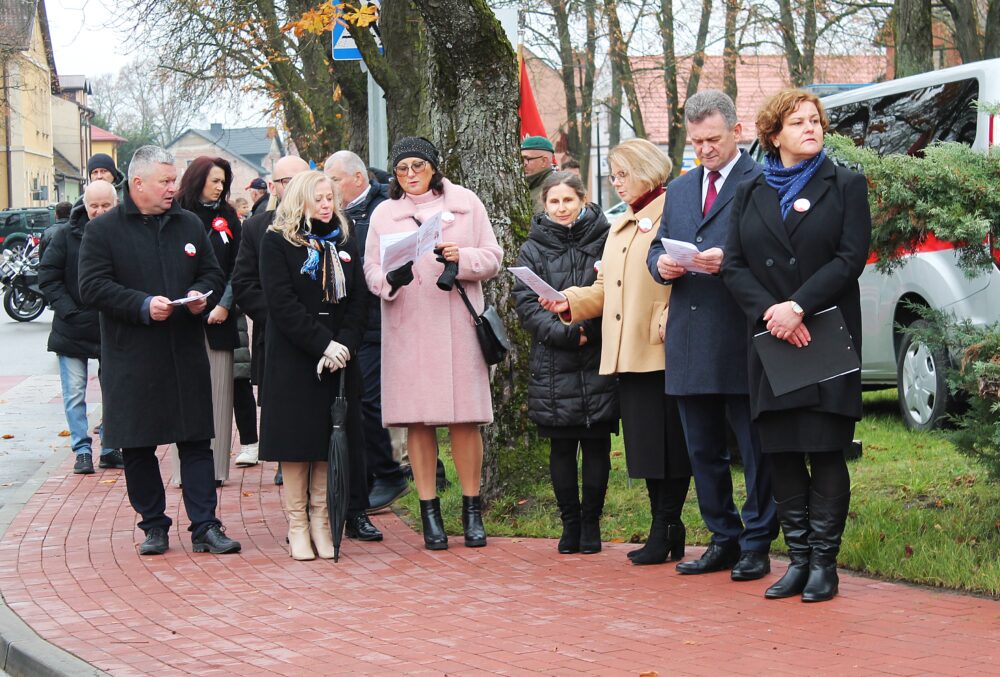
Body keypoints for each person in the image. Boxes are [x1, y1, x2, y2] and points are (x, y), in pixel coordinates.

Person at [721, 89, 871, 602]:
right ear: (773, 135)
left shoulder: (845, 184)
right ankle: (798, 561)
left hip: (824, 332)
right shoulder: (750, 189)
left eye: (815, 121)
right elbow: (734, 264)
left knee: (825, 449)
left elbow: (850, 258)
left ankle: (824, 565)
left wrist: (799, 306)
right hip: (772, 337)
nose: (811, 128)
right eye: (798, 122)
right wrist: (772, 312)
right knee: (782, 452)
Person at [78, 145, 240, 556]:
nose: (173, 188)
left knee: (196, 440)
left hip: (184, 352)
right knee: (137, 445)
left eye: (173, 180)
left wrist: (200, 294)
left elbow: (212, 273)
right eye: (165, 181)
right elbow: (92, 286)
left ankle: (205, 526)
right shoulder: (103, 231)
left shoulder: (188, 224)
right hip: (131, 357)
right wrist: (142, 305)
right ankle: (153, 525)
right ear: (138, 183)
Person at [540, 138, 692, 565]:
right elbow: (606, 287)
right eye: (614, 175)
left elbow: (688, 272)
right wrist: (568, 301)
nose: (617, 183)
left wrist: (671, 312)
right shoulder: (623, 222)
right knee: (647, 449)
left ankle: (667, 526)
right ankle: (664, 527)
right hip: (628, 352)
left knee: (671, 447)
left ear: (646, 171)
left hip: (662, 346)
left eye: (623, 174)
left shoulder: (673, 212)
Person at [646, 90, 778, 580]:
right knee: (702, 449)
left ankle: (757, 541)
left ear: (737, 132)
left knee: (754, 447)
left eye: (713, 140)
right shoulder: (681, 189)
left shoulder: (761, 180)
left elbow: (778, 253)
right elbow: (656, 247)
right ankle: (723, 537)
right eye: (697, 141)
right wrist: (661, 264)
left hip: (742, 332)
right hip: (690, 336)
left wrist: (732, 260)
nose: (704, 149)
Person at [365, 137, 502, 551]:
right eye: (402, 168)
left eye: (418, 166)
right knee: (418, 422)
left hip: (457, 324)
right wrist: (390, 280)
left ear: (434, 167)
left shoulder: (466, 204)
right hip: (409, 327)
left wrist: (463, 257)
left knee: (465, 421)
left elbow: (493, 256)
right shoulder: (385, 213)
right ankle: (430, 514)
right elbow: (371, 269)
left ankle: (472, 511)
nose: (410, 174)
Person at [258, 170, 369, 560]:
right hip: (294, 358)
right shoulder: (276, 241)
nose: (326, 205)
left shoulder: (345, 238)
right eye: (319, 198)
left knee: (328, 440)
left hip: (338, 359)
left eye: (330, 198)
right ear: (300, 200)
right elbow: (281, 303)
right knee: (296, 443)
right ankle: (297, 524)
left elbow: (358, 301)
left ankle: (322, 519)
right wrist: (322, 344)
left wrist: (344, 346)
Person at [513, 172, 618, 554]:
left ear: (583, 200)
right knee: (561, 447)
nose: (561, 208)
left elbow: (617, 292)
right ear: (544, 205)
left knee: (595, 445)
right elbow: (526, 304)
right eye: (554, 202)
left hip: (598, 356)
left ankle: (591, 523)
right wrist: (568, 334)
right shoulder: (533, 248)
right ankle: (569, 523)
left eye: (568, 200)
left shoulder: (606, 239)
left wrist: (589, 330)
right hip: (553, 361)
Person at [324, 150, 413, 513]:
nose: (330, 189)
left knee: (374, 401)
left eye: (335, 180)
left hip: (384, 316)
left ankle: (391, 473)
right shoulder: (337, 214)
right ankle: (373, 475)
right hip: (355, 322)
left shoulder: (386, 208)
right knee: (361, 401)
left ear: (358, 178)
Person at [231, 155, 310, 487]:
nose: (292, 187)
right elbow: (244, 283)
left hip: (322, 332)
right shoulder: (256, 227)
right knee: (281, 404)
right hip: (276, 333)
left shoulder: (330, 222)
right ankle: (285, 459)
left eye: (299, 178)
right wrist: (279, 316)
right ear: (274, 186)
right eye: (285, 181)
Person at [38, 182, 124, 474]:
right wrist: (69, 311)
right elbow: (48, 277)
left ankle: (110, 447)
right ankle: (82, 450)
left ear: (115, 203)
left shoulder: (124, 234)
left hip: (111, 326)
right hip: (72, 328)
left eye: (105, 205)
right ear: (84, 205)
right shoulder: (65, 235)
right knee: (75, 392)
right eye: (93, 206)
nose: (99, 211)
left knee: (114, 389)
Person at [169, 156, 242, 486]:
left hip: (218, 319)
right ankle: (183, 472)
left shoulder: (229, 217)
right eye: (214, 180)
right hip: (181, 317)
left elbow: (239, 266)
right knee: (182, 397)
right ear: (197, 179)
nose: (219, 187)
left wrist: (225, 305)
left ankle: (215, 471)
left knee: (219, 396)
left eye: (223, 182)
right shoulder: (176, 215)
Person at [521, 135, 555, 213]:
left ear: (544, 161)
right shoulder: (526, 184)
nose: (523, 164)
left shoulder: (553, 189)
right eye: (521, 159)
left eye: (527, 159)